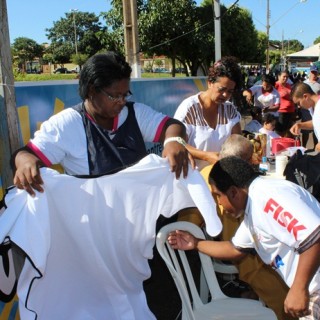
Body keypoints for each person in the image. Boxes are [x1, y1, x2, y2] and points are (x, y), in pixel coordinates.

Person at [12, 51, 193, 195]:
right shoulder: (68, 124)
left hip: (140, 215)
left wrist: (174, 141)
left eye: (125, 94)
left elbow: (173, 125)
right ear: (92, 90)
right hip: (96, 223)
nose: (121, 101)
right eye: (115, 96)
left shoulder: (135, 113)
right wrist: (25, 161)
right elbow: (25, 154)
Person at [168, 156, 320, 320]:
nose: (219, 203)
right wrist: (195, 243)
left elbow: (314, 236)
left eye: (218, 195)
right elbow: (234, 249)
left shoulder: (268, 198)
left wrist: (299, 288)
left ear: (233, 192)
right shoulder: (253, 208)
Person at [199, 135, 296, 320]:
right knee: (283, 289)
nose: (253, 163)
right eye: (248, 159)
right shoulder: (216, 181)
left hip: (251, 243)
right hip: (245, 253)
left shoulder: (229, 178)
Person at [174, 56, 243, 171]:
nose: (225, 95)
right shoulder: (190, 108)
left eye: (230, 92)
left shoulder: (229, 110)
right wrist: (206, 156)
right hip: (193, 178)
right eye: (221, 89)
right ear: (210, 83)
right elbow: (177, 141)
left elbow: (237, 142)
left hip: (221, 179)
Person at [290, 82, 320, 152]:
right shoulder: (312, 107)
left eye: (298, 103)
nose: (298, 106)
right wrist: (300, 125)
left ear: (305, 96)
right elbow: (317, 123)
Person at [299, 66, 320, 149]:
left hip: (316, 108)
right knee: (306, 132)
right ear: (309, 73)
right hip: (306, 110)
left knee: (317, 128)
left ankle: (316, 144)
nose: (314, 74)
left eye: (315, 72)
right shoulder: (305, 83)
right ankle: (304, 147)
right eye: (312, 72)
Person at [275, 70, 296, 137]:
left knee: (288, 131)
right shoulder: (276, 85)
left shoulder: (289, 85)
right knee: (280, 132)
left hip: (290, 112)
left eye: (287, 77)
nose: (285, 78)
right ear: (279, 76)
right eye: (284, 76)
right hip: (281, 112)